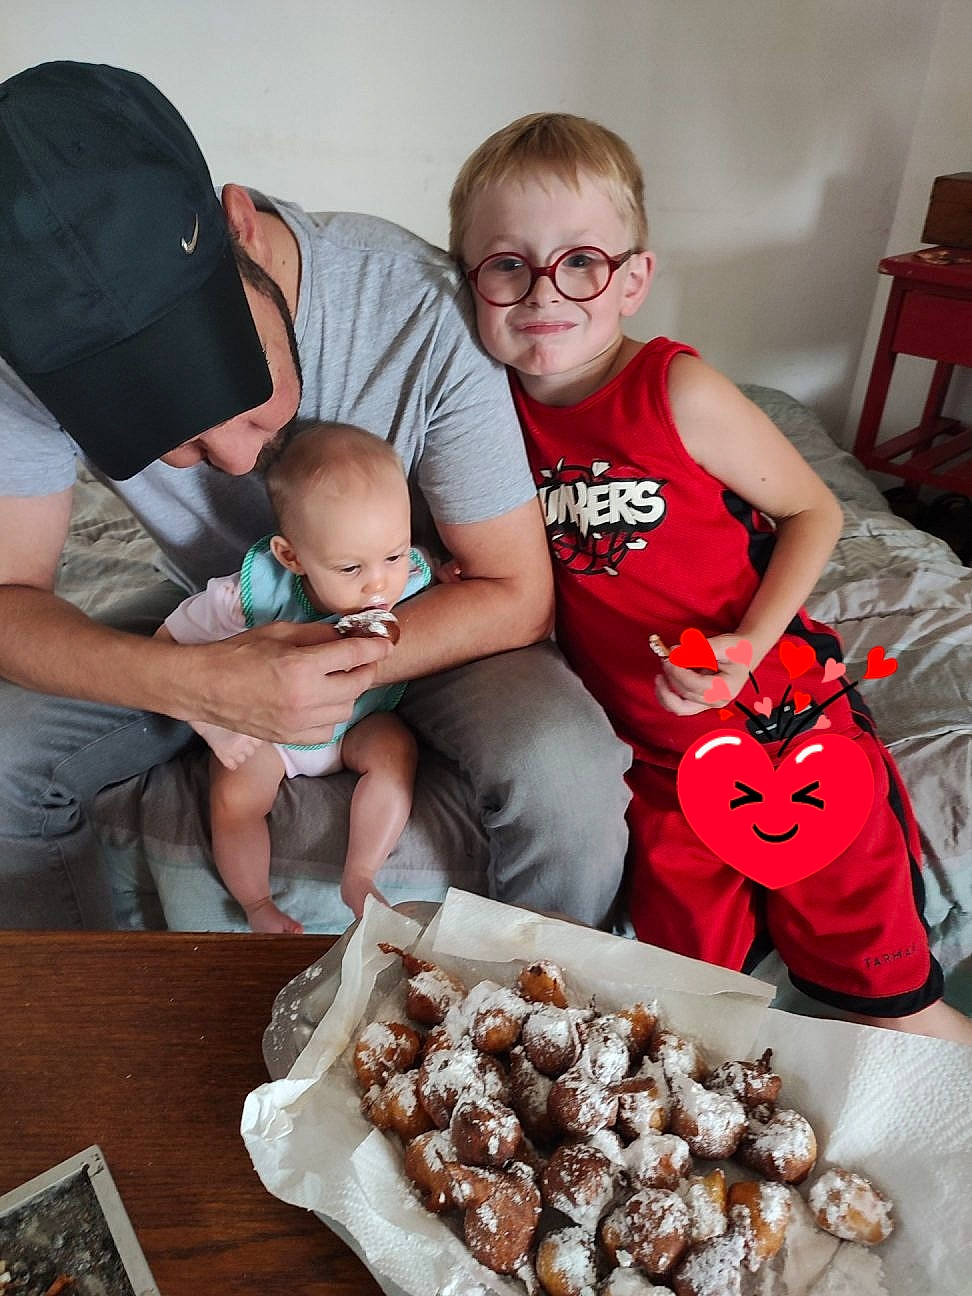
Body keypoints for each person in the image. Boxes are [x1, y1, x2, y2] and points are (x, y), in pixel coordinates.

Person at [0, 63, 632, 932]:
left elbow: (517, 593)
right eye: (172, 444)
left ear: (242, 231)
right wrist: (197, 680)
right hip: (225, 612)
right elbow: (11, 600)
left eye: (247, 398)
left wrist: (324, 660)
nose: (234, 462)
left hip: (416, 610)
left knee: (567, 774)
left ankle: (543, 1001)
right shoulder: (26, 368)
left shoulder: (414, 306)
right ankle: (63, 1011)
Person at [448, 111, 972, 1043]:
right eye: (507, 266)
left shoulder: (676, 392)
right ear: (469, 282)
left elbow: (814, 512)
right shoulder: (482, 421)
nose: (543, 293)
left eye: (581, 261)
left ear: (634, 279)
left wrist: (746, 646)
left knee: (888, 1000)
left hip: (785, 727)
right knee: (690, 1015)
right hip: (658, 766)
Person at [156, 422, 429, 931]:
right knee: (234, 795)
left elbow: (425, 573)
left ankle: (360, 874)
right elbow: (165, 649)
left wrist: (448, 573)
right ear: (292, 556)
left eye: (393, 555)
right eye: (350, 569)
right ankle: (257, 903)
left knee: (395, 750)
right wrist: (212, 724)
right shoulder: (246, 594)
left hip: (356, 722)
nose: (379, 583)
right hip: (272, 735)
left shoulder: (403, 575)